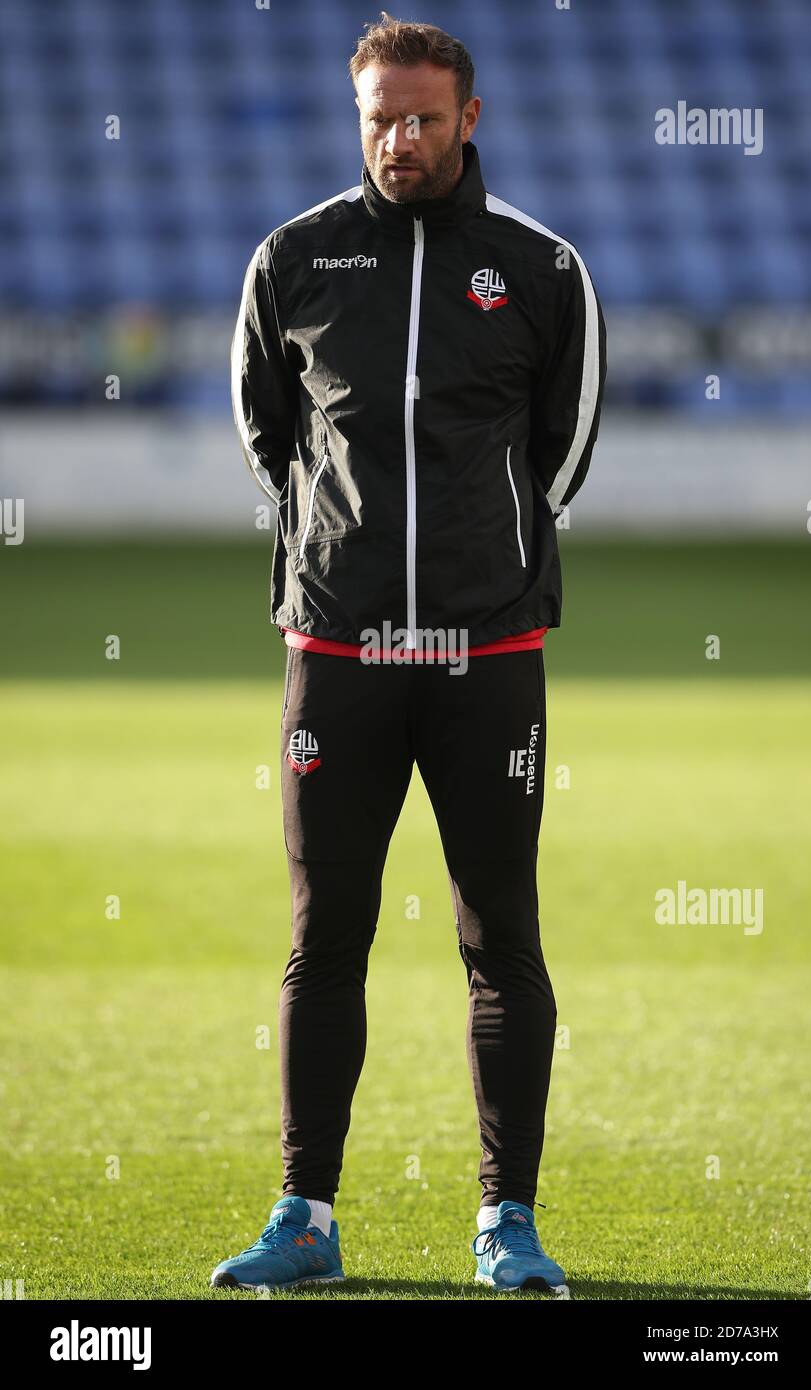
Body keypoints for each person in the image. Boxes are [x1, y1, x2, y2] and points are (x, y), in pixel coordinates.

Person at [212, 11, 606, 1295]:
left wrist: (482, 558)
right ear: (358, 112)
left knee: (503, 937)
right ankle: (306, 1216)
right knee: (326, 936)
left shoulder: (541, 269)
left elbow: (566, 447)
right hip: (337, 650)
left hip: (487, 653)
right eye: (382, 115)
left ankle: (508, 1224)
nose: (403, 137)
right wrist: (343, 554)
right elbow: (268, 438)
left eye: (426, 116)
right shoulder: (297, 260)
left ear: (469, 119)